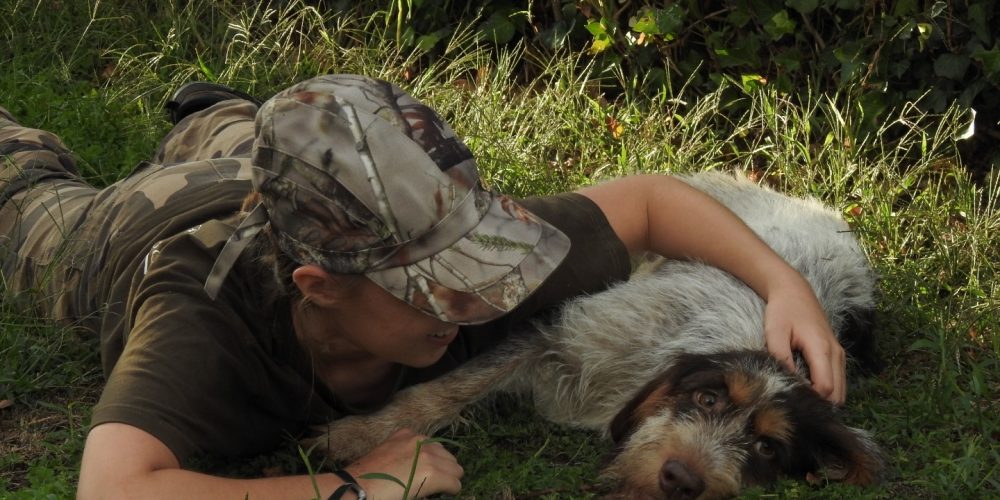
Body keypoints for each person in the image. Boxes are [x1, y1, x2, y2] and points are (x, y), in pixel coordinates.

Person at [0, 75, 846, 499]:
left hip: (262, 182)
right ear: (320, 289)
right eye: (436, 288)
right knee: (27, 194)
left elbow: (657, 203)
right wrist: (353, 487)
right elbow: (115, 489)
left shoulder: (475, 245)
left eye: (481, 259)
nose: (479, 296)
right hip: (135, 235)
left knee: (241, 130)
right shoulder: (199, 316)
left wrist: (782, 287)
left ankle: (214, 112)